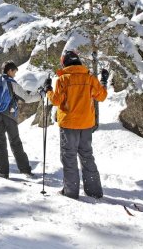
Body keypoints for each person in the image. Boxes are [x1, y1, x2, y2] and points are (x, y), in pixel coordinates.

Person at [45, 50, 108, 199]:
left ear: (65, 62)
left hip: (69, 125)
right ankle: (94, 191)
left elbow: (56, 101)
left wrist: (48, 89)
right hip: (86, 124)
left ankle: (71, 192)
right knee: (87, 156)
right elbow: (102, 96)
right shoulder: (90, 78)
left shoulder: (63, 79)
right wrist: (104, 81)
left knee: (69, 157)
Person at [0, 61, 41, 179]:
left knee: (0, 143)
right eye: (14, 71)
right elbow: (26, 98)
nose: (15, 74)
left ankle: (2, 171)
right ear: (9, 71)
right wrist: (41, 95)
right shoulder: (11, 83)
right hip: (9, 115)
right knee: (15, 142)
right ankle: (25, 169)